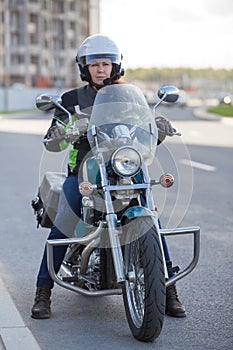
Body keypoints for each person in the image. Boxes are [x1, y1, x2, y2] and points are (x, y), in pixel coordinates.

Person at [31, 34, 186, 319]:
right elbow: (53, 143)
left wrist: (158, 129)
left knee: (152, 220)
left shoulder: (128, 97)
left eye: (106, 63)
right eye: (95, 64)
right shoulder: (71, 100)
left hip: (124, 167)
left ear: (116, 66)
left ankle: (167, 290)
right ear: (84, 67)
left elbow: (144, 134)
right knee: (66, 221)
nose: (101, 69)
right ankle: (43, 292)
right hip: (84, 172)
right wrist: (61, 133)